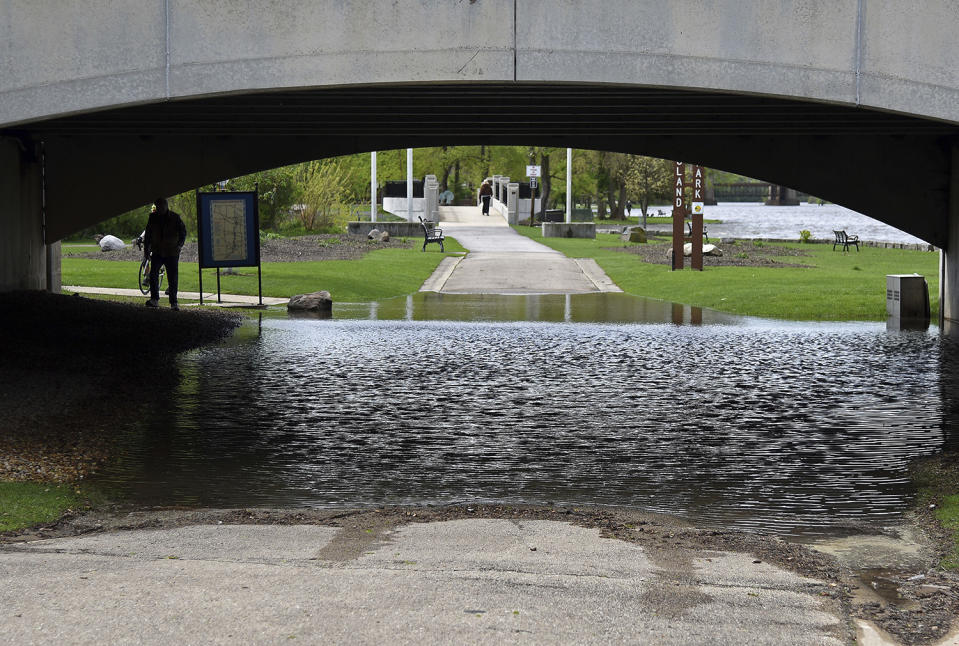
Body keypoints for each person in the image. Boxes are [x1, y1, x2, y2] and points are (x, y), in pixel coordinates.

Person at [142, 197, 186, 310]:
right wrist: (146, 250)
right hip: (157, 251)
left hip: (172, 251)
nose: (159, 208)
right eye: (158, 206)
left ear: (166, 206)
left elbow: (183, 232)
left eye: (161, 206)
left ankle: (173, 302)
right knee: (153, 275)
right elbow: (148, 234)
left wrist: (179, 245)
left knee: (172, 277)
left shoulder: (175, 217)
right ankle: (154, 299)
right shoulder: (153, 217)